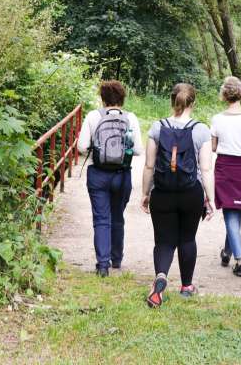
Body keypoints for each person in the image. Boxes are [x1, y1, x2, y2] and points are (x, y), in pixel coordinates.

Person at [141, 83, 215, 307]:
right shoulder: (201, 130)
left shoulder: (157, 127)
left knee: (163, 241)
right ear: (193, 102)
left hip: (162, 192)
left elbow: (149, 166)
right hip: (190, 192)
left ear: (172, 101)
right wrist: (210, 198)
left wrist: (145, 194)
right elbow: (206, 169)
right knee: (187, 238)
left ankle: (161, 276)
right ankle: (186, 287)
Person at [77, 80, 143, 277]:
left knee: (101, 219)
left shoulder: (92, 116)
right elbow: (138, 149)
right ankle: (117, 259)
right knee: (117, 217)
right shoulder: (130, 118)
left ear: (103, 98)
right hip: (122, 175)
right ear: (122, 98)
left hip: (97, 174)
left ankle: (102, 265)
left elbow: (81, 147)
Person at [210, 76, 241, 278]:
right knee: (234, 211)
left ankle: (236, 258)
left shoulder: (217, 119)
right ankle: (234, 256)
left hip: (225, 168)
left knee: (232, 212)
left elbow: (213, 147)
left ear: (224, 95)